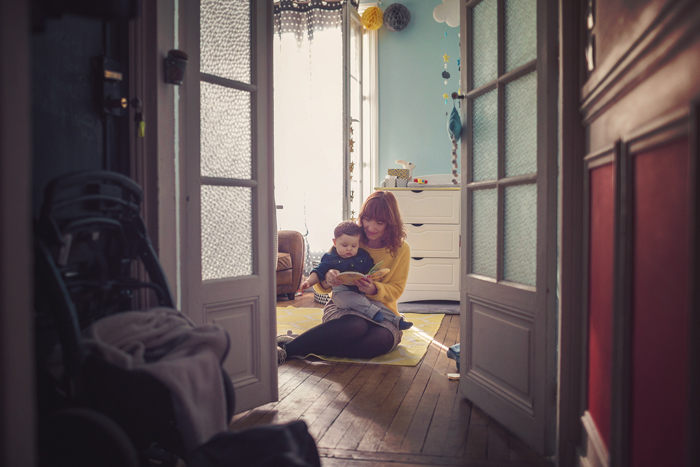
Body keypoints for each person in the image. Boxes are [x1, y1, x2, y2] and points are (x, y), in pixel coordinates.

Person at [277, 191, 412, 364]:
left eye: (379, 222)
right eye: (367, 219)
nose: (371, 227)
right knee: (355, 326)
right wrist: (328, 279)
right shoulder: (350, 238)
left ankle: (301, 343)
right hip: (343, 307)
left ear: (390, 223)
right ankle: (288, 351)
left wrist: (373, 289)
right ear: (362, 217)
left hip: (382, 311)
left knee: (382, 341)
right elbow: (321, 279)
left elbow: (396, 289)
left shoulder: (401, 249)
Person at [300, 220, 413, 330]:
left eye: (354, 246)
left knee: (376, 304)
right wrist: (309, 282)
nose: (349, 249)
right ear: (335, 243)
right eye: (345, 245)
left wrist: (375, 279)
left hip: (362, 292)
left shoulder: (362, 256)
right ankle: (373, 313)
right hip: (341, 293)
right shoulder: (330, 257)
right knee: (354, 301)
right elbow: (318, 271)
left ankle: (397, 320)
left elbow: (371, 270)